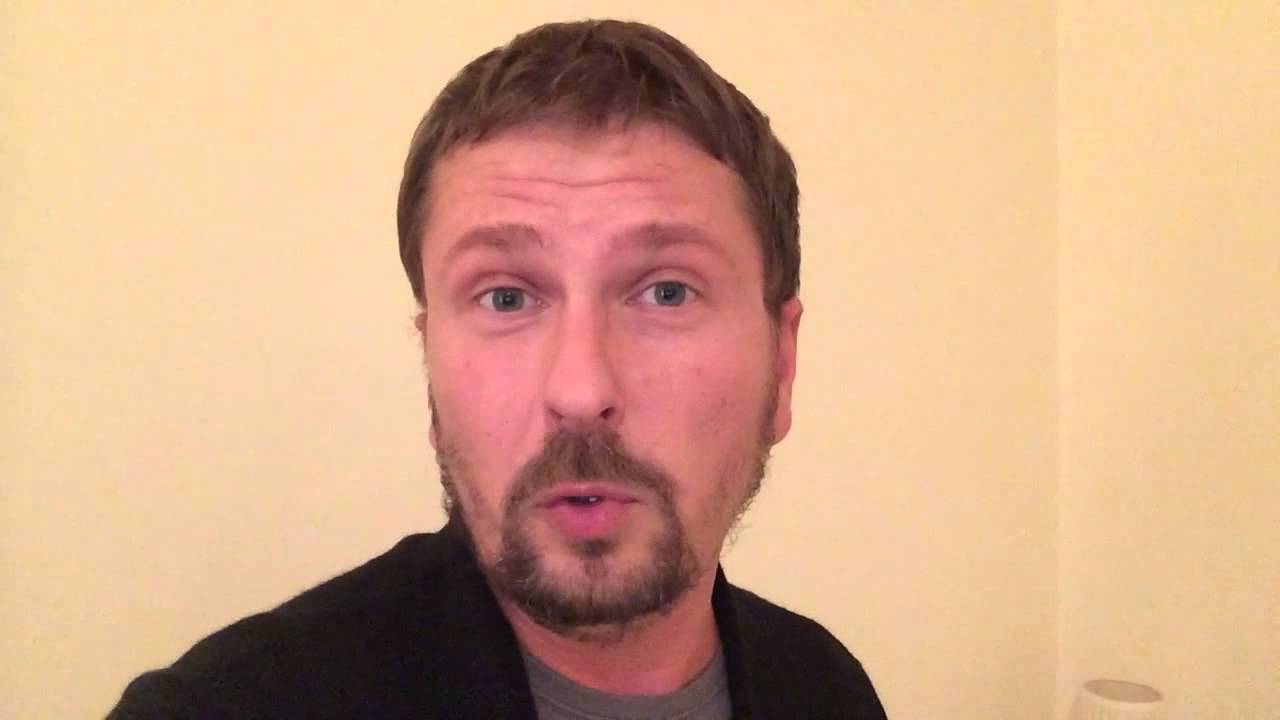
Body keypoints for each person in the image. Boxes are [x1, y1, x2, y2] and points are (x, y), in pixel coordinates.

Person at [108, 19, 886, 720]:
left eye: (667, 291)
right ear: (430, 368)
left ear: (782, 365)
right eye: (506, 297)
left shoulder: (825, 690)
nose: (580, 391)